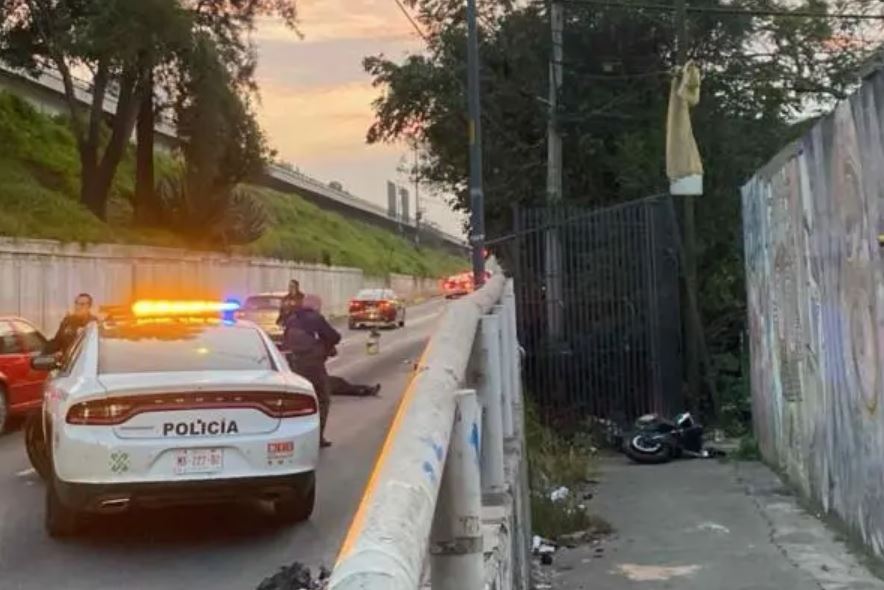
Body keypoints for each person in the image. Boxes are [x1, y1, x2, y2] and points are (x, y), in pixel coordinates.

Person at [283, 292, 341, 448]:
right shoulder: (316, 318)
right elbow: (335, 336)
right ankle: (318, 437)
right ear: (316, 307)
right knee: (322, 399)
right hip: (313, 366)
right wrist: (326, 346)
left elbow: (285, 342)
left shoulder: (291, 319)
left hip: (294, 367)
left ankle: (294, 435)